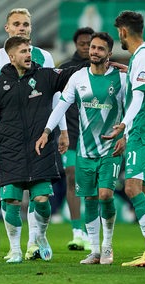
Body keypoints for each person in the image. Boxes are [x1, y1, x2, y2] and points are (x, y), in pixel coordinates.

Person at [0, 36, 84, 263]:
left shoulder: (44, 76)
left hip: (39, 150)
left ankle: (40, 236)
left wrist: (95, 62)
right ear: (11, 56)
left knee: (42, 201)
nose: (28, 55)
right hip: (9, 152)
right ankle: (15, 249)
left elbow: (69, 73)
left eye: (29, 51)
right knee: (11, 203)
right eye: (23, 51)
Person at [0, 8, 62, 261]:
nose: (22, 27)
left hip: (40, 137)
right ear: (7, 28)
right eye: (17, 23)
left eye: (26, 23)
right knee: (10, 197)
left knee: (41, 199)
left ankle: (36, 240)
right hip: (9, 139)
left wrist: (63, 130)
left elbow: (57, 94)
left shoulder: (44, 57)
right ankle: (15, 248)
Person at [36, 32, 125, 265]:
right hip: (85, 150)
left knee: (105, 195)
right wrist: (47, 131)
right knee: (90, 198)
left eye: (99, 48)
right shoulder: (78, 77)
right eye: (92, 47)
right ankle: (95, 250)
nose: (94, 51)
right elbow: (61, 105)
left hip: (110, 149)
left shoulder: (120, 79)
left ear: (109, 53)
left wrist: (126, 134)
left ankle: (107, 245)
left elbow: (134, 107)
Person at [102, 10, 145, 267]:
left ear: (124, 31)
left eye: (120, 34)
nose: (120, 39)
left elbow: (139, 97)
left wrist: (124, 126)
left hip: (142, 130)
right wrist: (130, 71)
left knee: (131, 188)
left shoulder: (143, 57)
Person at [55, 27, 95, 251]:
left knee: (93, 184)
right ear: (76, 44)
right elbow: (56, 101)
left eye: (90, 43)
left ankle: (93, 232)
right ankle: (77, 232)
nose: (86, 47)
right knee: (72, 178)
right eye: (82, 43)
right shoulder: (65, 69)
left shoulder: (103, 69)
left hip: (96, 136)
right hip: (71, 133)